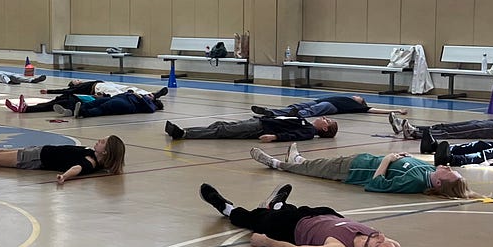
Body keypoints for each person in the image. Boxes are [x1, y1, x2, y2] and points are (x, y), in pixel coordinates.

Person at [198, 182, 402, 247]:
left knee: (256, 218)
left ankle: (227, 208)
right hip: (325, 214)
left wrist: (266, 242)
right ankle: (278, 204)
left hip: (291, 227)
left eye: (377, 243)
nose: (381, 237)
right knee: (291, 209)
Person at [248, 146, 476, 198]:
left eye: (449, 173)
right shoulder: (428, 169)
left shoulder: (416, 182)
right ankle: (299, 160)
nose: (447, 167)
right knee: (320, 164)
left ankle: (278, 164)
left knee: (318, 170)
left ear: (438, 184)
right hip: (363, 159)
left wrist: (387, 159)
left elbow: (376, 184)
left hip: (354, 171)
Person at [0, 135, 125, 185]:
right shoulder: (91, 152)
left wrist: (64, 177)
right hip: (39, 151)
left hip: (37, 159)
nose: (98, 141)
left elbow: (76, 168)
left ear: (106, 152)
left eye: (102, 142)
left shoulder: (90, 162)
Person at [8, 82, 166, 116]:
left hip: (100, 96)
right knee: (65, 97)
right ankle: (28, 108)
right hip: (105, 96)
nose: (77, 82)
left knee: (66, 99)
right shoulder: (138, 94)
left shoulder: (96, 84)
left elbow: (150, 102)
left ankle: (28, 108)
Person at [165, 115, 339, 142]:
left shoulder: (308, 131)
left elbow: (292, 135)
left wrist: (274, 137)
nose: (323, 118)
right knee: (220, 125)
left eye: (326, 120)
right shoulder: (304, 122)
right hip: (260, 121)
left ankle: (184, 134)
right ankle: (186, 129)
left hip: (260, 127)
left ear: (324, 129)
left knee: (223, 131)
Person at [252, 94, 405, 119]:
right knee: (297, 105)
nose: (357, 96)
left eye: (360, 97)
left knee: (310, 111)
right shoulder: (346, 96)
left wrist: (396, 110)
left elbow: (375, 110)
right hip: (319, 100)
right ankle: (271, 112)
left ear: (360, 102)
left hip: (331, 106)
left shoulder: (356, 106)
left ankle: (295, 115)